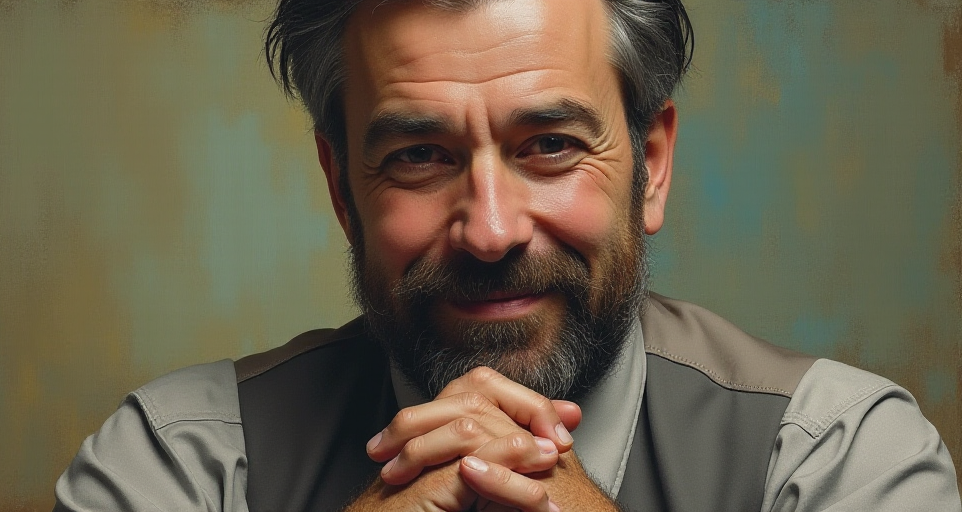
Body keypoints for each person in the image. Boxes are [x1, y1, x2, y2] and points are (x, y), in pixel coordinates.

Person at [53, 0, 962, 510]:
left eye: (552, 144)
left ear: (649, 166)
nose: (490, 231)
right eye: (419, 156)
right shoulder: (176, 468)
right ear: (342, 192)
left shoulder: (837, 460)